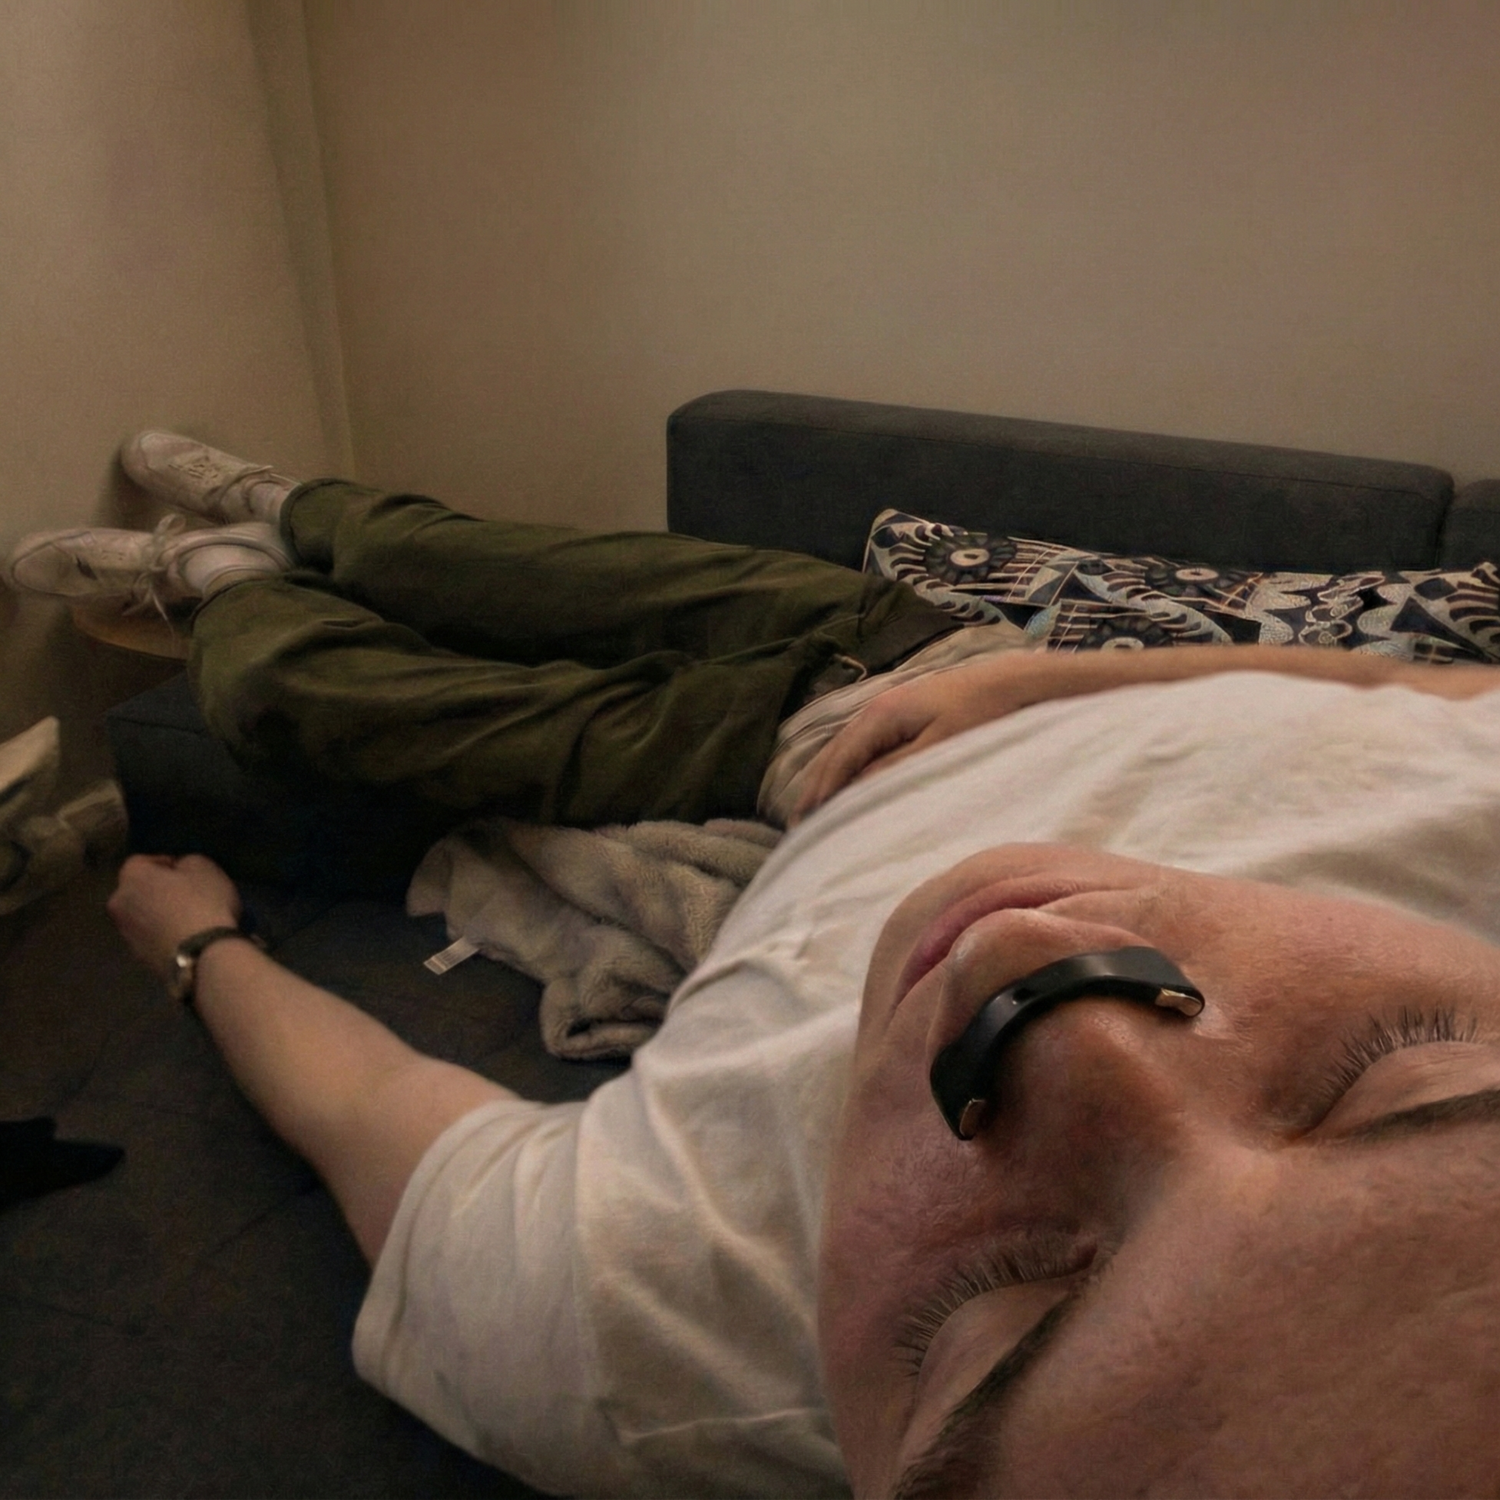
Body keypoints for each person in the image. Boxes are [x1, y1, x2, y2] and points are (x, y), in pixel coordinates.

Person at [16, 435, 1500, 1495]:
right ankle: (283, 504)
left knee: (277, 687)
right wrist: (1041, 673)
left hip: (774, 773)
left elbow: (369, 1114)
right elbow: (1424, 680)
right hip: (939, 654)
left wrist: (195, 942)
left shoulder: (651, 1347)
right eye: (1399, 1078)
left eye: (1010, 1313)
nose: (1020, 965)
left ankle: (218, 578)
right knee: (426, 548)